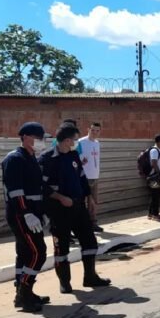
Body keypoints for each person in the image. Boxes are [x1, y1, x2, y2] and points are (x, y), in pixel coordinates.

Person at [40, 123, 111, 294]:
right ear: (66, 140)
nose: (76, 142)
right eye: (75, 139)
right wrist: (60, 198)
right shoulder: (46, 159)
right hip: (59, 210)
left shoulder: (73, 156)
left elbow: (82, 178)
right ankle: (65, 282)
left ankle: (90, 277)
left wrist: (90, 199)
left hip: (78, 207)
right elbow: (41, 185)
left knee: (90, 242)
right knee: (61, 248)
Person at [2, 122, 50, 312]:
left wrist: (42, 211)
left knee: (24, 253)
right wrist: (27, 213)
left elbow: (37, 189)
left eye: (42, 138)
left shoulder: (32, 158)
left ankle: (24, 294)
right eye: (38, 138)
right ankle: (24, 291)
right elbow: (15, 191)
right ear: (25, 137)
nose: (41, 142)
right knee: (38, 252)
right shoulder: (15, 159)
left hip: (33, 212)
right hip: (21, 213)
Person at [78, 122, 103, 232]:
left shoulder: (97, 143)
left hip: (95, 176)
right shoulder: (81, 142)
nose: (95, 133)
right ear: (88, 129)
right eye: (93, 130)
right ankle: (83, 224)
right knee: (82, 201)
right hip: (84, 176)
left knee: (94, 201)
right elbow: (75, 158)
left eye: (97, 131)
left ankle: (93, 222)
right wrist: (81, 162)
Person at [147, 134, 160, 222]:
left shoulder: (158, 150)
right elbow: (153, 163)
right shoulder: (154, 151)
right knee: (156, 195)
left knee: (155, 195)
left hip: (156, 176)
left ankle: (151, 214)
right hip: (154, 177)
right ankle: (155, 214)